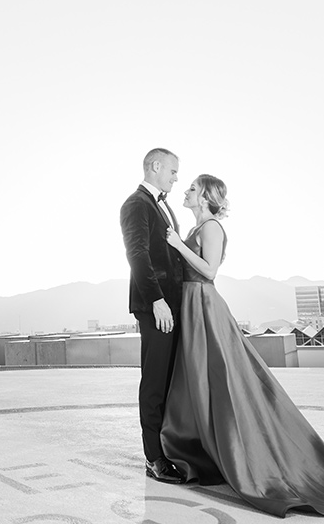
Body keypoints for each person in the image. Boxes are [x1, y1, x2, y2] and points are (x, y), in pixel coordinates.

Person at [161, 174, 324, 517]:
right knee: (198, 380)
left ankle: (245, 454)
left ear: (203, 196)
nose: (184, 191)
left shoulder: (211, 228)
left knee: (220, 379)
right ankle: (202, 452)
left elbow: (210, 271)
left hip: (204, 305)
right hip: (191, 305)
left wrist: (176, 246)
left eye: (190, 188)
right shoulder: (196, 229)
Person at [120, 148, 187, 484]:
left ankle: (172, 448)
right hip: (156, 307)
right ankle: (154, 458)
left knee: (171, 380)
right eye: (173, 171)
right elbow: (137, 254)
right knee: (155, 381)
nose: (176, 178)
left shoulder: (161, 205)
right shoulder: (136, 204)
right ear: (156, 166)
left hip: (172, 306)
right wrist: (157, 300)